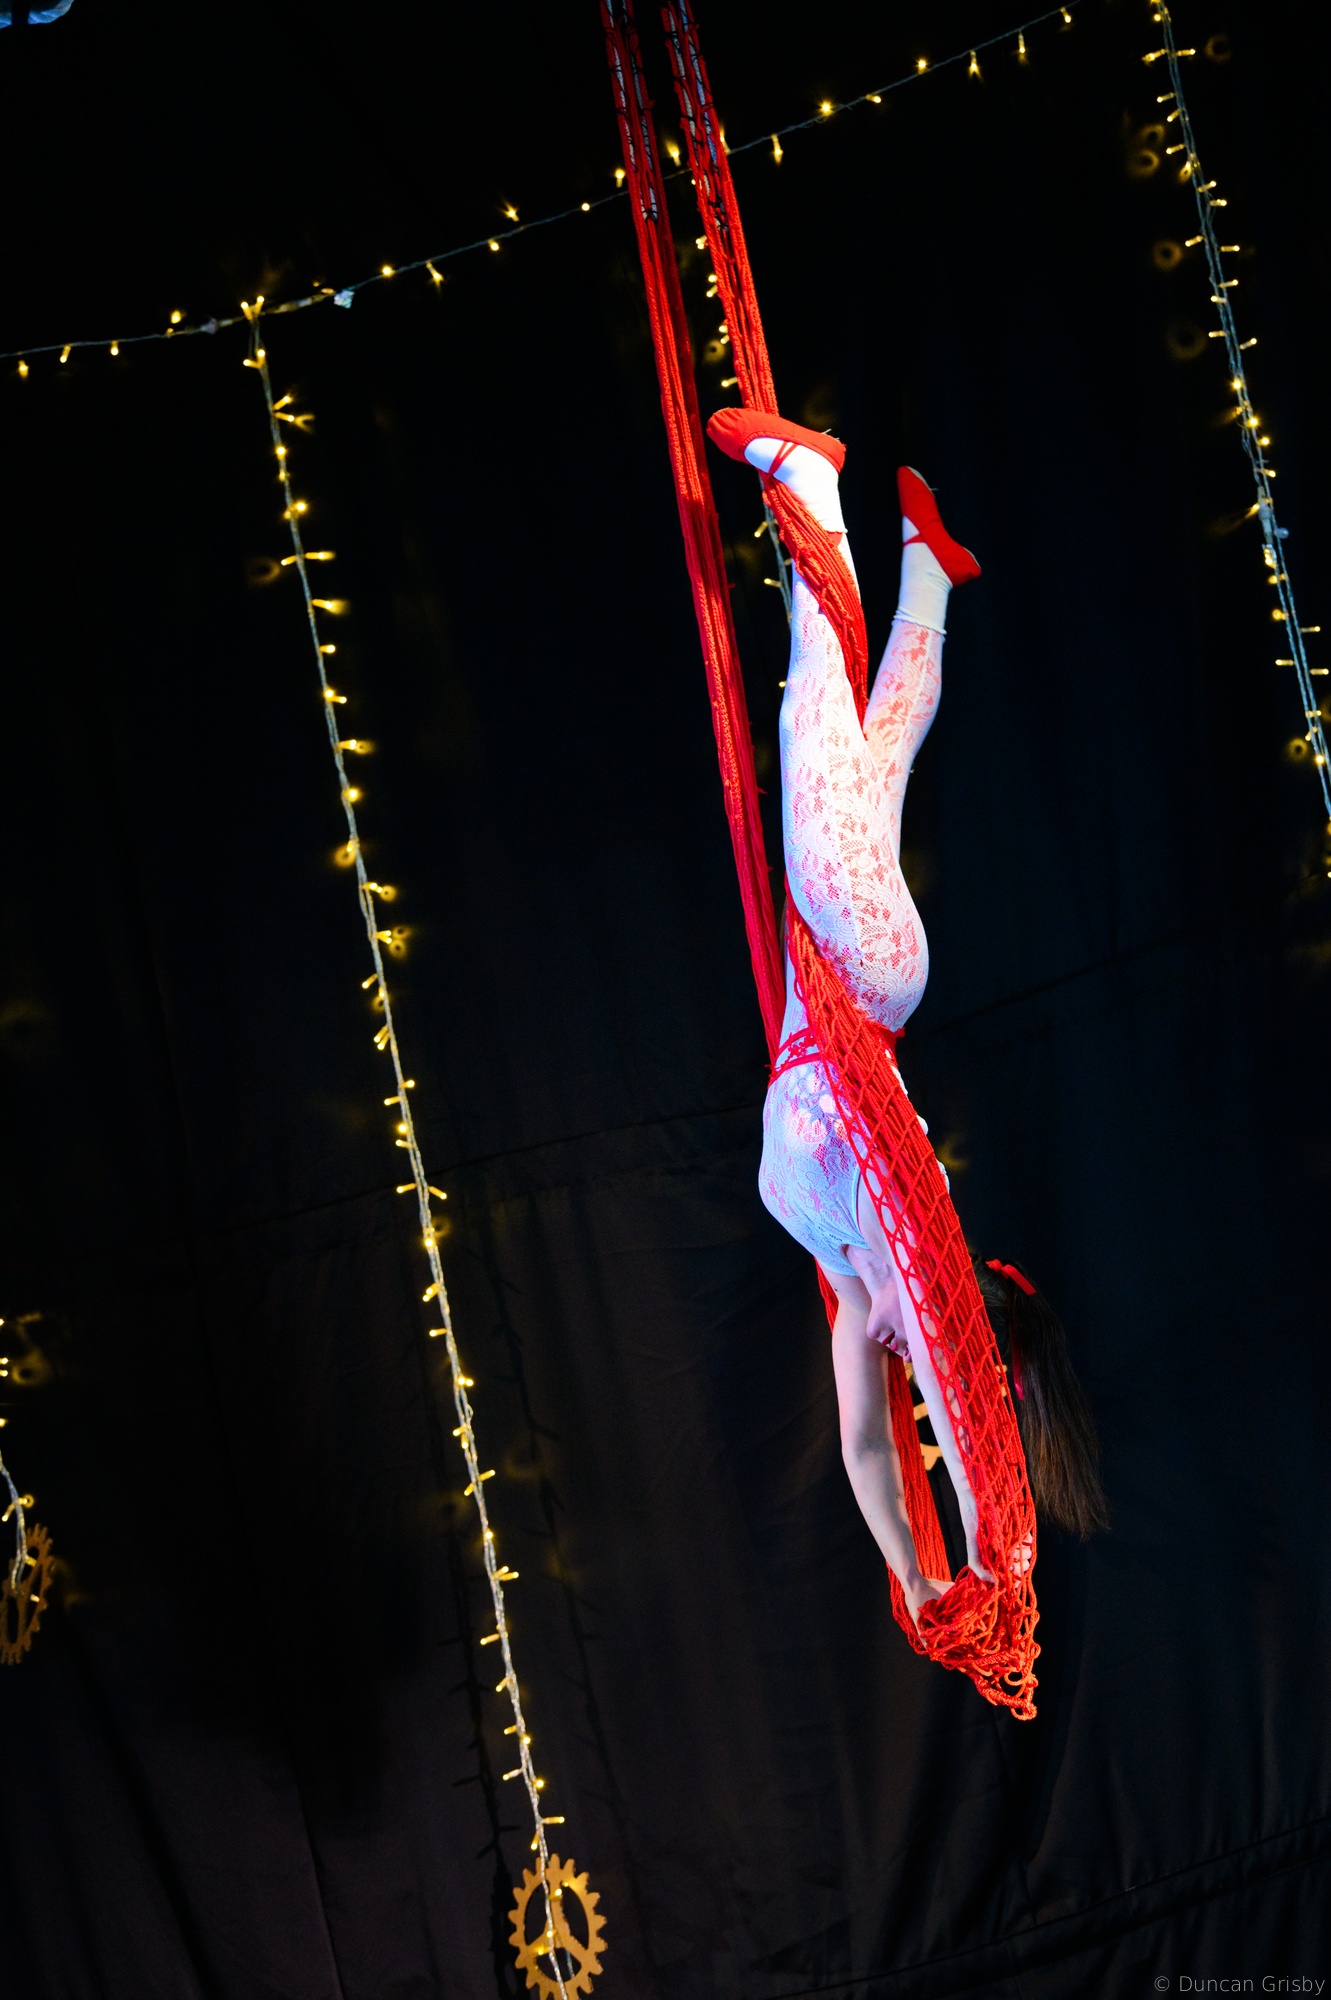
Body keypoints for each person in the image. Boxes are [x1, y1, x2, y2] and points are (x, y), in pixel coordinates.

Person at [707, 411, 1108, 1627]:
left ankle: (927, 577)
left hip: (833, 977)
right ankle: (811, 490)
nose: (918, 1391)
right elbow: (956, 1402)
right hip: (862, 973)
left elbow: (863, 1448)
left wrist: (917, 1576)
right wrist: (995, 1556)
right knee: (809, 733)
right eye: (951, 1370)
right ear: (962, 1324)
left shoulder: (850, 1277)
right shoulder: (908, 1251)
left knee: (870, 758)